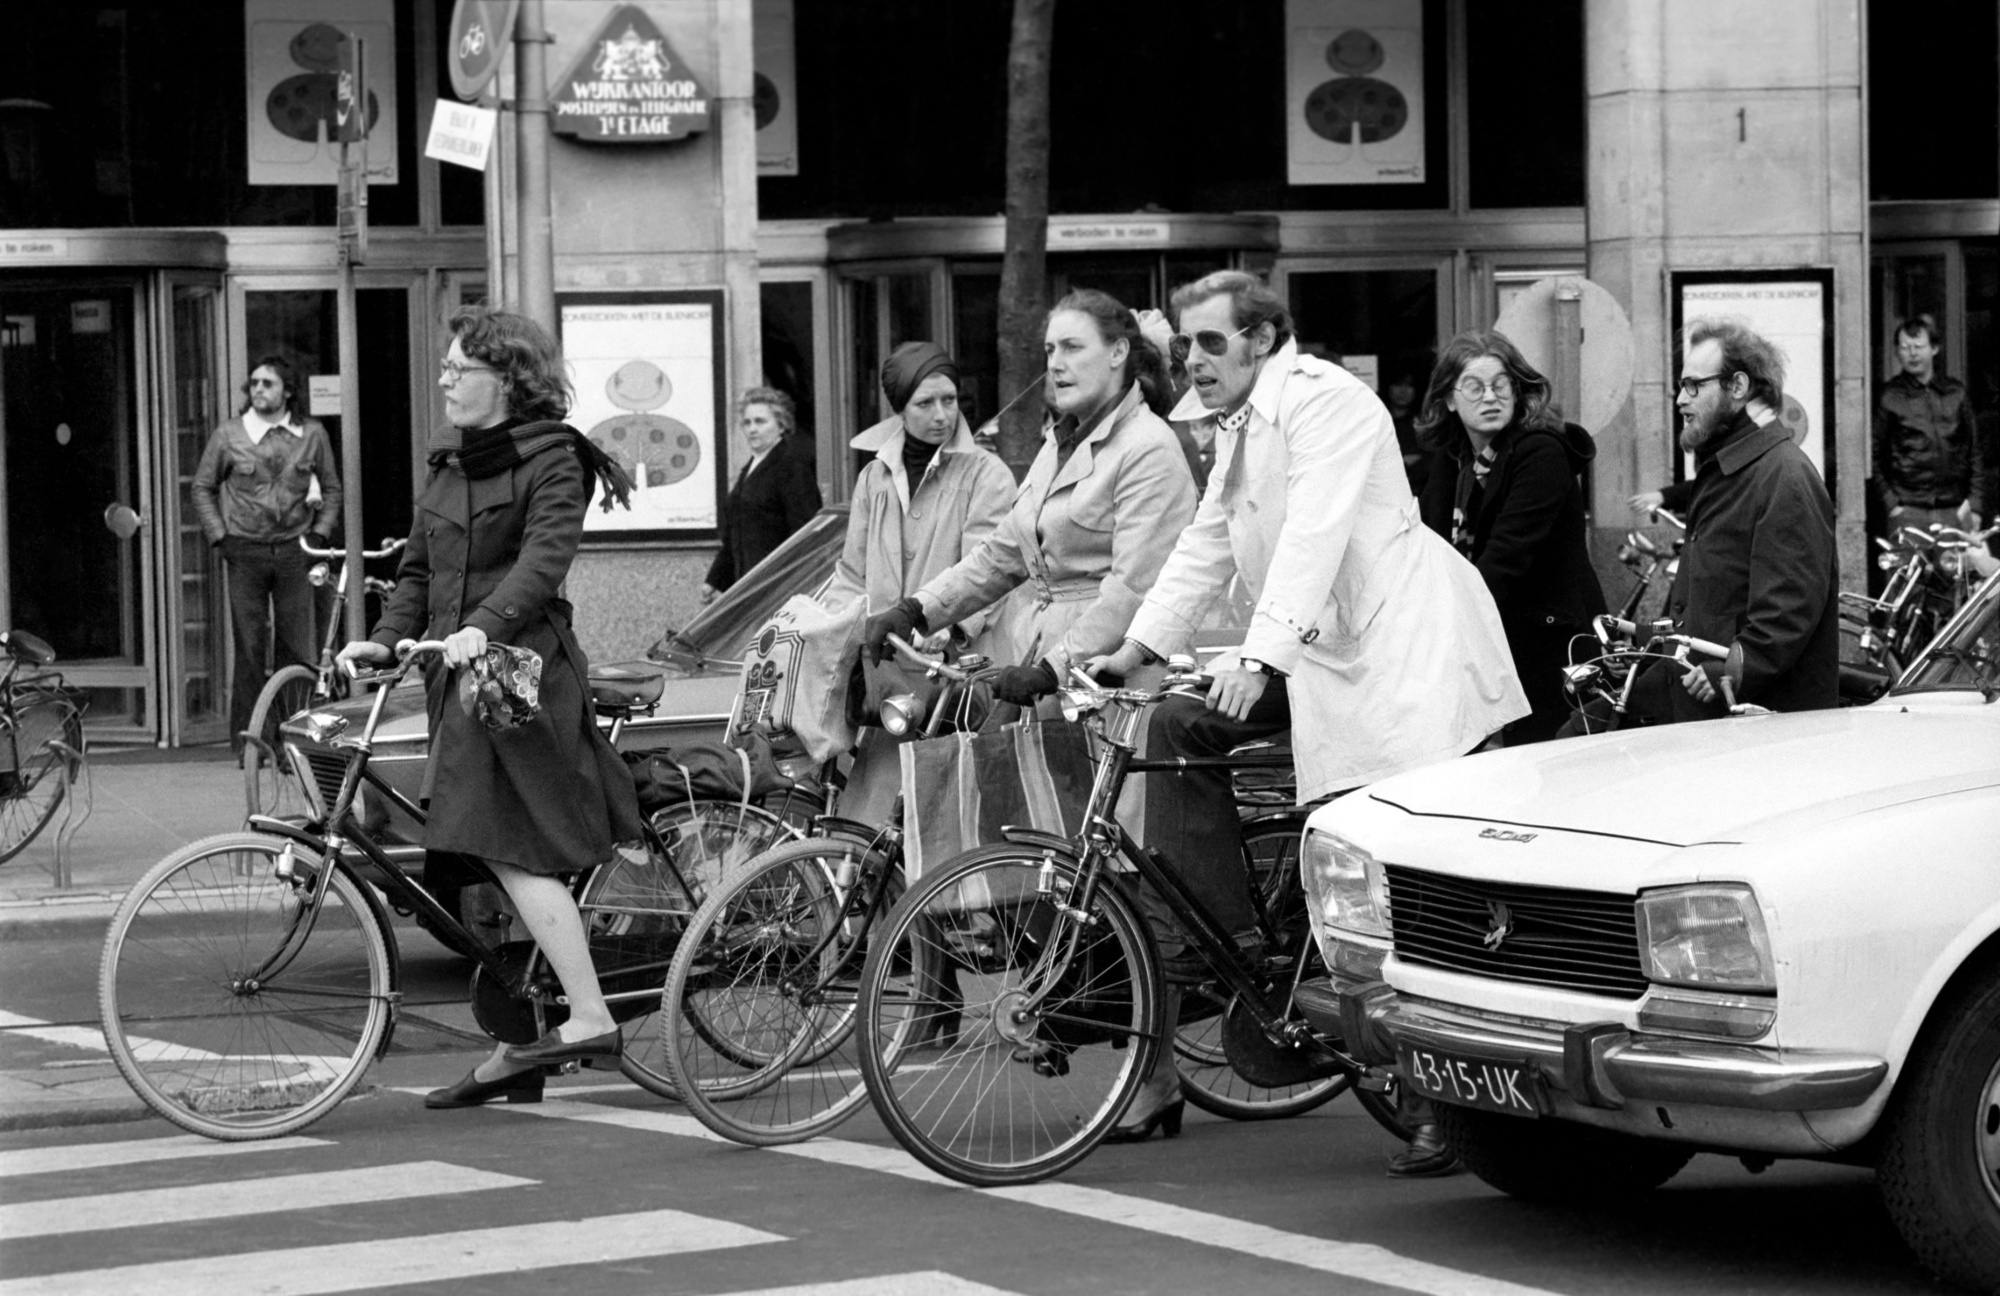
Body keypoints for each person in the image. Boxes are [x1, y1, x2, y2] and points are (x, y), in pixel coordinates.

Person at [1090, 271, 1526, 1162]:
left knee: (1400, 870)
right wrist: (1137, 648)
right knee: (1176, 726)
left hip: (1405, 663)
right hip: (1321, 653)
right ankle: (1236, 952)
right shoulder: (1237, 425)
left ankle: (1442, 1103)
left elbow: (1314, 533)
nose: (1193, 361)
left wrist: (1257, 658)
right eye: (1184, 345)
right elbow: (1208, 541)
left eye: (1210, 343)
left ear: (1261, 339)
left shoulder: (1328, 402)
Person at [335, 306, 645, 1109]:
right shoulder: (448, 463)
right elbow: (414, 572)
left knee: (510, 849)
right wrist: (385, 639)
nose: (444, 381)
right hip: (458, 682)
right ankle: (521, 1046)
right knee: (474, 862)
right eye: (444, 368)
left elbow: (543, 561)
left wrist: (480, 627)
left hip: (521, 682)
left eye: (456, 369)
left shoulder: (555, 460)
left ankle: (588, 1015)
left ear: (505, 378)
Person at [863, 290, 1196, 711]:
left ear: (1118, 352)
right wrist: (917, 609)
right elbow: (1002, 554)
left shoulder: (1148, 448)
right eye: (1050, 350)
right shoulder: (1059, 442)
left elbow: (1134, 589)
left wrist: (1054, 667)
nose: (1055, 363)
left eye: (1073, 348)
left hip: (1112, 684)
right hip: (1040, 669)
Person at [823, 341, 1018, 823]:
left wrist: (947, 628)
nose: (941, 415)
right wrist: (822, 631)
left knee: (946, 812)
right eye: (925, 403)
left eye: (949, 400)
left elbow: (988, 566)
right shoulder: (874, 476)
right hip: (893, 672)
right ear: (899, 408)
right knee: (872, 820)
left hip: (958, 671)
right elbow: (852, 573)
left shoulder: (986, 473)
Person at [1630, 317, 1840, 721]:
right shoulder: (1728, 470)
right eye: (1680, 385)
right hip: (1711, 717)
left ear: (1738, 387)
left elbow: (1787, 609)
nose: (1680, 400)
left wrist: (1732, 671)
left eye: (1694, 385)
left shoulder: (1783, 476)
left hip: (1759, 730)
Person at [1417, 330, 1607, 744]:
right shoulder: (1454, 464)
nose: (1490, 397)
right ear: (1449, 399)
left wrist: (1439, 624)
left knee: (1544, 777)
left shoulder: (1541, 454)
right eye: (1474, 386)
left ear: (1518, 393)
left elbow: (1506, 559)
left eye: (1501, 385)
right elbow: (1425, 547)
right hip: (1488, 644)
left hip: (1550, 649)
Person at [191, 355, 343, 753]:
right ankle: (250, 743)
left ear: (287, 391)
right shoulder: (229, 435)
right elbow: (202, 486)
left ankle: (290, 744)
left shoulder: (311, 434)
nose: (258, 390)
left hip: (296, 550)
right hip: (245, 550)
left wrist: (320, 535)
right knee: (249, 646)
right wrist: (220, 537)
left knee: (295, 647)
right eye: (254, 384)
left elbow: (332, 489)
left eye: (268, 384)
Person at [701, 386, 822, 604]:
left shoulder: (791, 468)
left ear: (781, 425)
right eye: (747, 423)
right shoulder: (750, 469)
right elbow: (734, 536)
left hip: (777, 589)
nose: (752, 429)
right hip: (748, 586)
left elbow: (804, 535)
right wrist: (715, 581)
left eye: (760, 421)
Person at [1874, 314, 1989, 538]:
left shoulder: (1956, 392)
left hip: (1955, 509)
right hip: (1908, 510)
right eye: (1905, 347)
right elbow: (1873, 454)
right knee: (1907, 573)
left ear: (1934, 349)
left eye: (1918, 346)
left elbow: (1974, 451)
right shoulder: (1889, 396)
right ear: (1897, 352)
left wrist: (1974, 503)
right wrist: (1891, 502)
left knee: (1956, 572)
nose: (1912, 353)